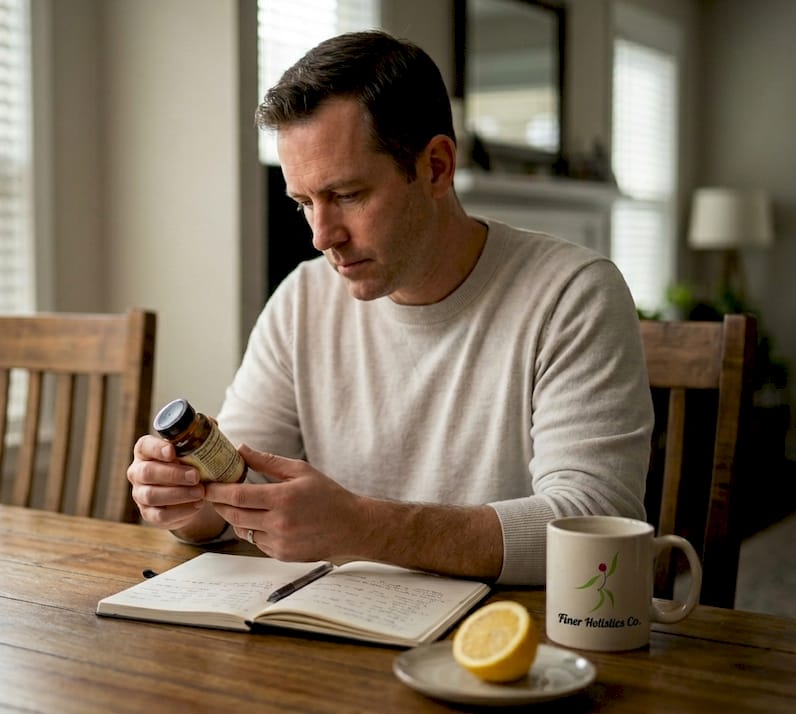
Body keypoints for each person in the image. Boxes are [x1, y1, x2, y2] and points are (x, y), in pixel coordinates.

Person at [126, 30, 652, 585]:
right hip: (340, 635)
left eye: (347, 195)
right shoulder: (302, 301)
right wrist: (187, 504)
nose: (321, 236)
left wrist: (364, 527)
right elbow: (240, 492)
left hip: (512, 645)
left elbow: (597, 524)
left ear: (436, 167)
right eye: (304, 202)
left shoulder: (573, 294)